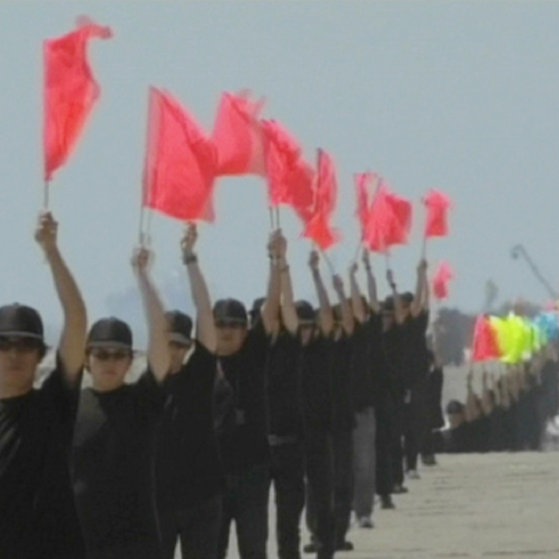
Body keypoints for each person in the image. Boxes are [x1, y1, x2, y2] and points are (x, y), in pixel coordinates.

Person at [72, 246, 170, 559]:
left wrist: (143, 277)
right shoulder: (69, 407)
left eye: (119, 354)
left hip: (137, 544)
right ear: (87, 359)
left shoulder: (142, 402)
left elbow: (161, 338)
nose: (110, 361)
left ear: (130, 361)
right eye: (101, 354)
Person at [0, 212, 87, 559]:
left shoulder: (53, 403)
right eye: (4, 345)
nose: (14, 354)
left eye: (25, 346)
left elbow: (77, 319)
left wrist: (51, 251)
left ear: (39, 355)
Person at [155, 224, 224, 559]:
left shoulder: (198, 376)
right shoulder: (144, 383)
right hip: (158, 501)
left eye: (180, 345)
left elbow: (205, 314)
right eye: (167, 343)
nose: (174, 351)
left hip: (201, 499)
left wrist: (190, 258)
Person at [215, 230, 283, 559]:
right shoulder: (201, 362)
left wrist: (277, 260)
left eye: (234, 324)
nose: (227, 330)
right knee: (211, 549)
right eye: (220, 324)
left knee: (253, 547)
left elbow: (271, 310)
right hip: (211, 473)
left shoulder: (254, 354)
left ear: (245, 329)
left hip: (252, 470)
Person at [265, 236, 306, 559]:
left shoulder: (290, 344)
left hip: (290, 442)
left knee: (289, 515)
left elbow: (287, 304)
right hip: (258, 447)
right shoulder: (252, 351)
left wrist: (280, 262)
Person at [300, 250, 336, 559]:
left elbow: (326, 314)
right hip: (291, 431)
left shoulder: (322, 348)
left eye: (308, 326)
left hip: (320, 429)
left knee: (322, 490)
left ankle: (325, 543)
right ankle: (311, 535)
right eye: (299, 326)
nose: (304, 331)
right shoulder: (285, 350)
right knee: (296, 494)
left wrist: (315, 273)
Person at [347, 250, 382, 528]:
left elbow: (372, 300)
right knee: (342, 465)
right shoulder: (338, 338)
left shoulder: (370, 333)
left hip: (363, 409)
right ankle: (342, 511)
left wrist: (361, 274)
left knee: (364, 464)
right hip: (339, 410)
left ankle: (363, 511)